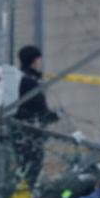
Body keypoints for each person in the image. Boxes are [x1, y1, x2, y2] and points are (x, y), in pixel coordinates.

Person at [12, 45, 59, 189]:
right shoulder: (30, 82)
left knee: (21, 168)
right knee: (31, 170)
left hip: (19, 131)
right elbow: (38, 109)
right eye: (39, 59)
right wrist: (53, 116)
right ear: (34, 61)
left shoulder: (18, 78)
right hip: (30, 132)